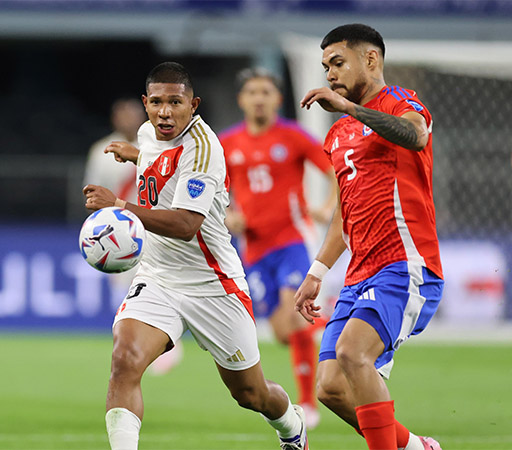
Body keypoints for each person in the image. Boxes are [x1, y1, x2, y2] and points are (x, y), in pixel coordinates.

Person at [83, 62, 309, 450]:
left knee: (251, 394)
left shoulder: (205, 149)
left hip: (212, 285)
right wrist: (138, 156)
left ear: (194, 105)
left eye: (176, 102)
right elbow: (163, 162)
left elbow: (186, 224)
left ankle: (292, 425)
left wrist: (120, 204)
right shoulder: (148, 134)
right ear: (145, 103)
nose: (165, 111)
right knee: (124, 360)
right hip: (157, 277)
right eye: (156, 102)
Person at [294, 24, 443, 450]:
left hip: (405, 263)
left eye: (338, 63)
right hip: (359, 274)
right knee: (330, 387)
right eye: (325, 67)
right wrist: (318, 271)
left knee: (353, 354)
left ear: (371, 59)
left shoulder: (401, 102)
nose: (330, 74)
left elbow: (415, 135)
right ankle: (415, 447)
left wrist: (349, 107)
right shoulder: (337, 135)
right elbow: (345, 212)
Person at [220, 67, 336, 428]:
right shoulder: (227, 143)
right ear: (241, 99)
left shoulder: (294, 137)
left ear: (277, 99)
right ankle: (338, 321)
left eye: (265, 92)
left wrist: (330, 206)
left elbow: (335, 169)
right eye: (252, 92)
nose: (258, 98)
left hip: (292, 240)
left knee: (296, 314)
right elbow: (213, 190)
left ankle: (307, 403)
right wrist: (227, 214)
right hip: (253, 250)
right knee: (285, 332)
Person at [84, 97, 183, 376]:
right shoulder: (100, 150)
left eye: (132, 114)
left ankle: (166, 340)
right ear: (115, 118)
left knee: (162, 283)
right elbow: (92, 192)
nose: (127, 119)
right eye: (122, 114)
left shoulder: (159, 145)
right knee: (124, 290)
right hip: (118, 232)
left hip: (154, 226)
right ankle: (133, 342)